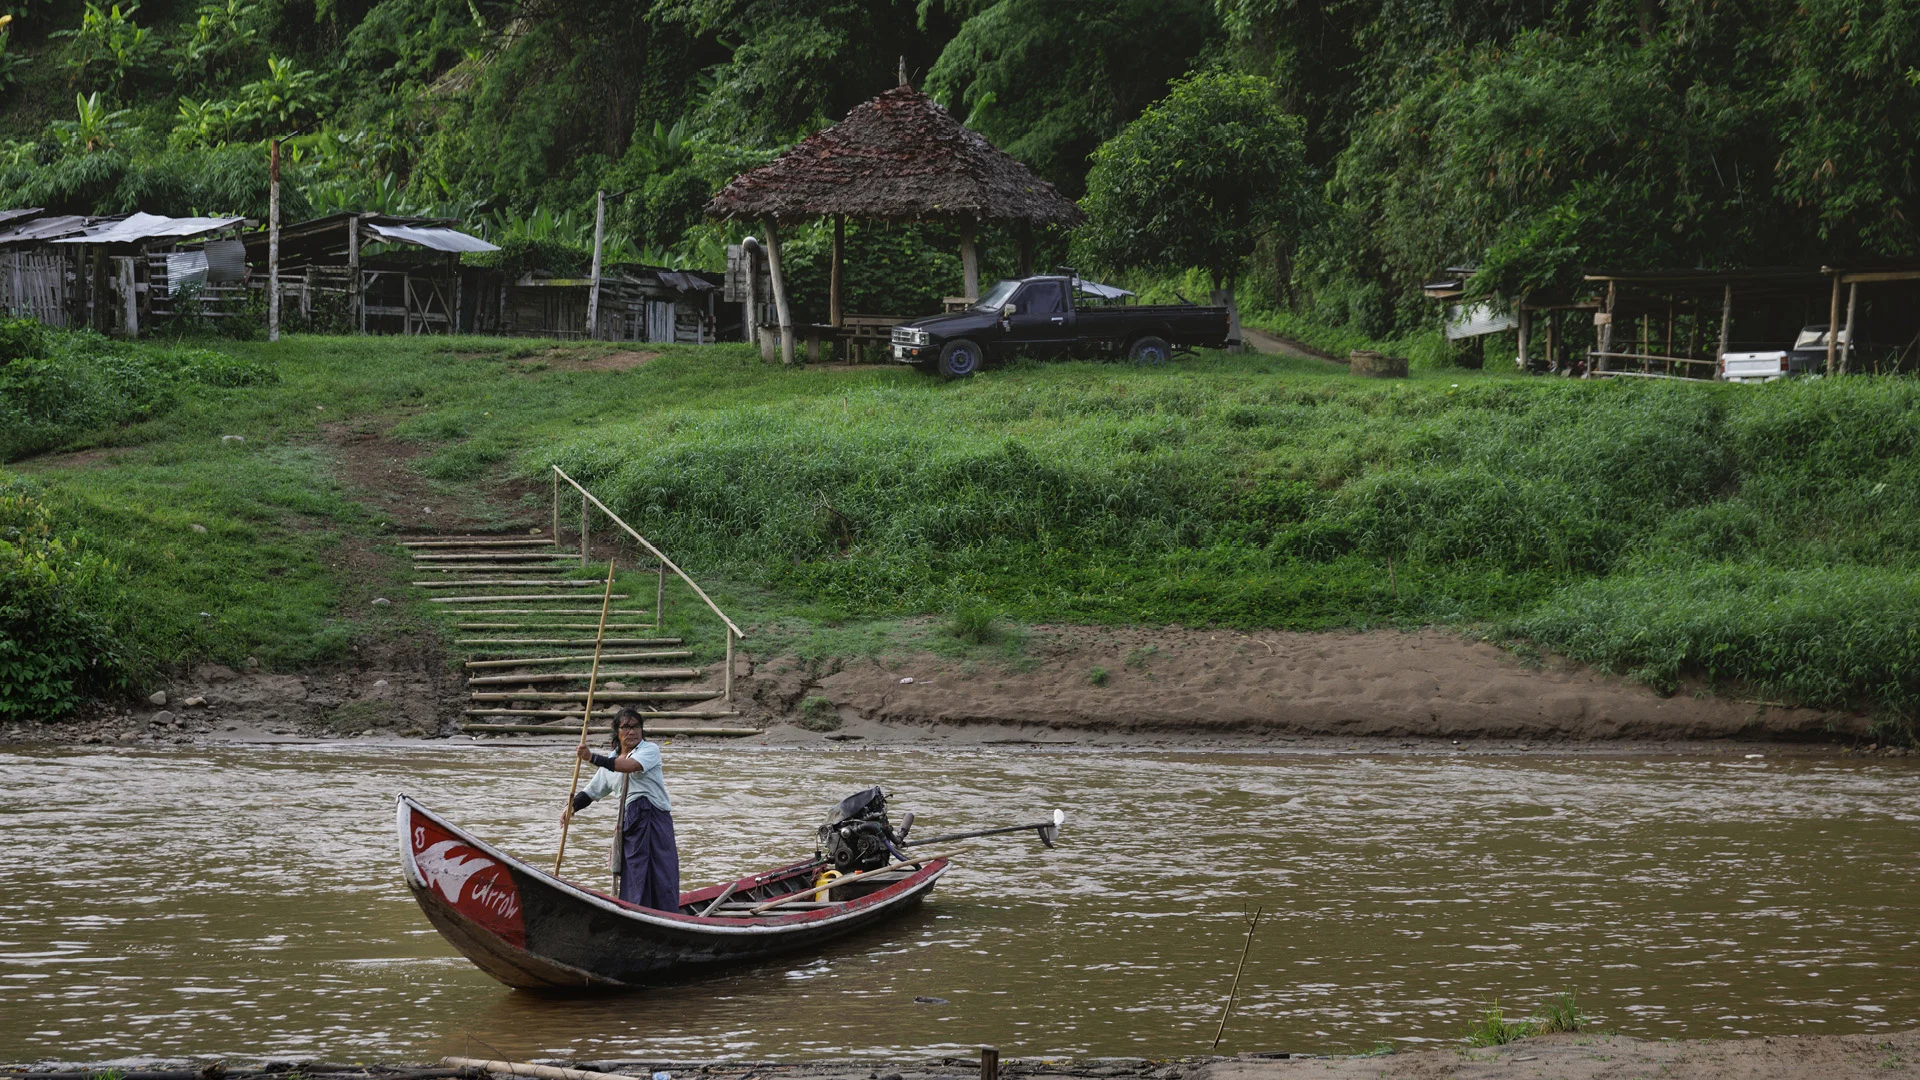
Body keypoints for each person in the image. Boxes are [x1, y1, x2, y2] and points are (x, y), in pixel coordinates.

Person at [564, 707, 681, 910]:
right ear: (617, 732)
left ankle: (665, 913)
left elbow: (630, 766)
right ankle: (636, 910)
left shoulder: (649, 750)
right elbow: (593, 791)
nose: (631, 731)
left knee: (661, 872)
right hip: (632, 824)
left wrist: (591, 758)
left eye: (636, 727)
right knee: (635, 873)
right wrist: (571, 808)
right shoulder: (612, 760)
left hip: (653, 819)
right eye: (625, 727)